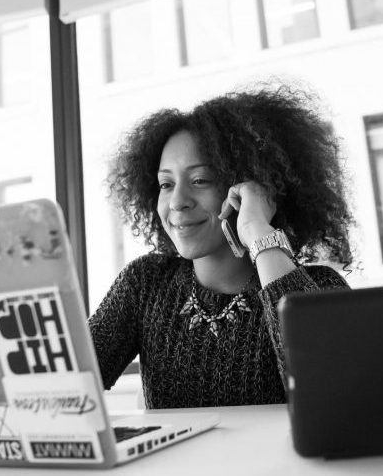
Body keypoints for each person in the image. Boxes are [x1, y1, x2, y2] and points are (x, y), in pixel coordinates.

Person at [89, 84, 355, 408]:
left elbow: (334, 390)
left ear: (246, 187)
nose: (177, 201)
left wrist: (258, 231)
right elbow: (69, 383)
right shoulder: (145, 285)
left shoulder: (320, 288)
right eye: (166, 184)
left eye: (200, 180)